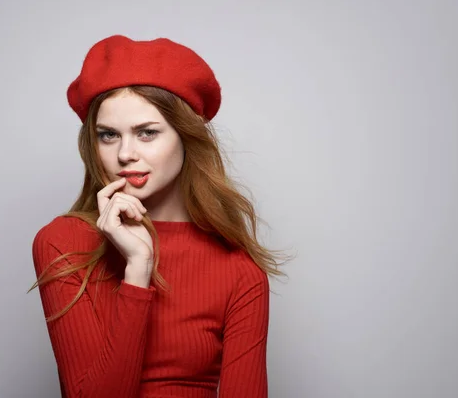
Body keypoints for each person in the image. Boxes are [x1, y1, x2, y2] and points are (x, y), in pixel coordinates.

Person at [30, 34, 290, 398]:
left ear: (186, 137)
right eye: (108, 135)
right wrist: (138, 268)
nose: (125, 154)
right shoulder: (63, 243)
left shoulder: (239, 269)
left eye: (147, 133)